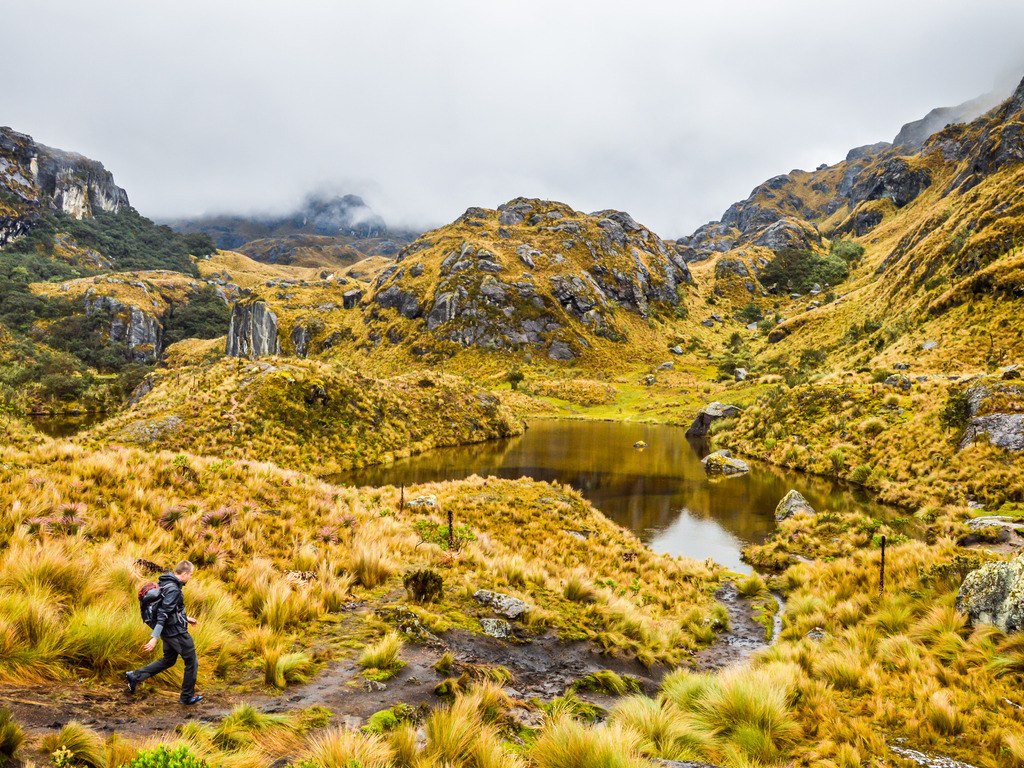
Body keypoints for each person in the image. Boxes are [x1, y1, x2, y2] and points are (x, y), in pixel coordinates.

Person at [124, 560, 203, 705]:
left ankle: (135, 676)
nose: (191, 577)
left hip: (169, 630)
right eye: (190, 575)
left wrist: (186, 618)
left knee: (169, 660)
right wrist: (154, 637)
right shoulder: (173, 589)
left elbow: (170, 609)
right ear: (184, 574)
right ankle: (186, 697)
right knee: (192, 661)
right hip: (175, 632)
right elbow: (163, 613)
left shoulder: (165, 582)